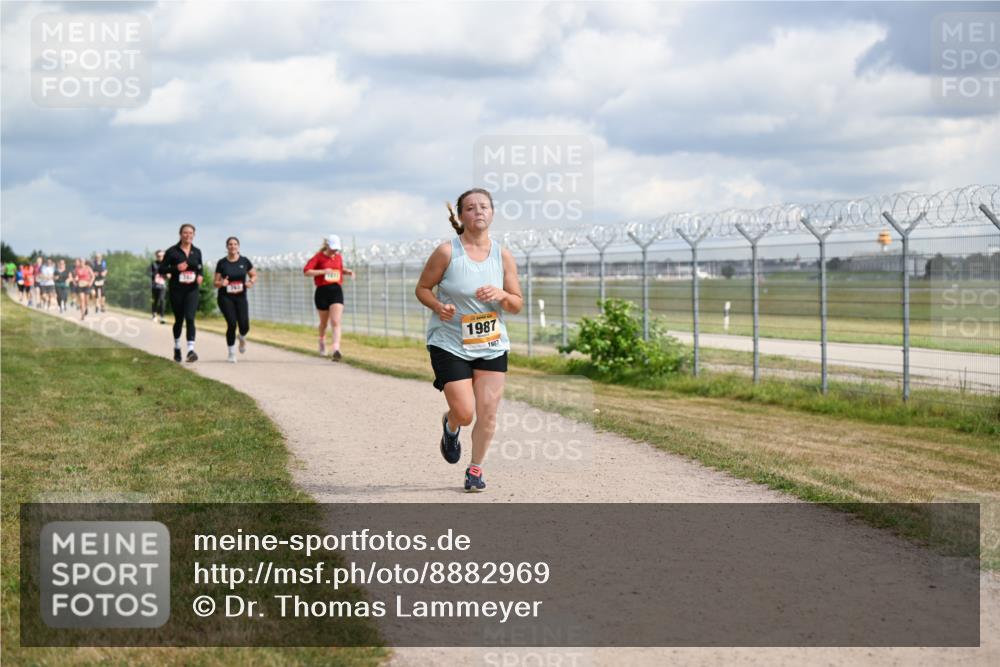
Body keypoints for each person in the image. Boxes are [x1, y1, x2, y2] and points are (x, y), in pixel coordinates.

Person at [415, 188, 523, 492]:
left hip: (491, 344)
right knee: (464, 412)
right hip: (450, 343)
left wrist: (502, 294)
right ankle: (451, 426)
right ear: (461, 216)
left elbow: (516, 304)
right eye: (471, 208)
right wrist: (438, 306)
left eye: (484, 207)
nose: (479, 212)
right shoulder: (447, 252)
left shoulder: (503, 255)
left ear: (492, 213)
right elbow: (422, 288)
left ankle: (475, 469)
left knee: (488, 413)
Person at [303, 234, 354, 360]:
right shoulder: (318, 257)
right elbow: (307, 271)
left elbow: (338, 269)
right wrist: (323, 271)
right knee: (324, 323)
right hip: (322, 291)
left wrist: (347, 272)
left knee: (336, 321)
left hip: (336, 290)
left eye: (336, 249)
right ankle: (321, 340)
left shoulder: (338, 257)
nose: (334, 251)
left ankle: (336, 349)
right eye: (333, 248)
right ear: (327, 246)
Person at [159, 224, 203, 362]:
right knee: (179, 320)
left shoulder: (197, 251)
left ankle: (190, 351)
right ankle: (177, 347)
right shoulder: (172, 251)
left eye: (190, 233)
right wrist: (176, 268)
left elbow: (200, 267)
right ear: (180, 234)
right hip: (177, 290)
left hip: (192, 290)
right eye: (185, 232)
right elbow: (161, 269)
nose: (188, 235)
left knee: (190, 318)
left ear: (194, 235)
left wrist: (200, 275)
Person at [213, 237, 257, 363]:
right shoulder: (222, 263)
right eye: (230, 244)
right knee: (232, 323)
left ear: (238, 246)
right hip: (225, 297)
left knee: (244, 326)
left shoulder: (244, 261)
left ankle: (242, 338)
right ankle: (231, 353)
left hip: (241, 297)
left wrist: (251, 282)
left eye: (235, 244)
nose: (233, 246)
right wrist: (222, 282)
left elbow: (254, 275)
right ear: (227, 247)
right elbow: (215, 283)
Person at [149, 250, 167, 323]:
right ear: (156, 256)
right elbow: (149, 273)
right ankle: (154, 315)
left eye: (162, 256)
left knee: (162, 300)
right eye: (159, 256)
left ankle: (162, 316)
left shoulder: (166, 264)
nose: (160, 257)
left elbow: (169, 274)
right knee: (155, 300)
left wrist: (167, 275)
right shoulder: (153, 264)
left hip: (163, 286)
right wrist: (155, 274)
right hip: (155, 286)